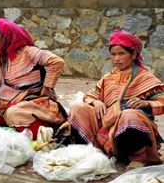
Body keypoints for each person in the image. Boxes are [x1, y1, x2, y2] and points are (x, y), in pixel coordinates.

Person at [68, 30, 164, 169]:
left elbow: (161, 101)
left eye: (121, 54)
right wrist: (97, 102)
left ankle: (139, 158)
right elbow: (91, 95)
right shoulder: (108, 77)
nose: (116, 59)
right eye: (113, 54)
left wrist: (147, 103)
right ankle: (91, 151)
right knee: (79, 107)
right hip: (108, 123)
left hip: (130, 126)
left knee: (129, 114)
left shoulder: (145, 77)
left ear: (134, 55)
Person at [0, 17, 66, 139]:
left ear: (5, 39)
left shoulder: (28, 52)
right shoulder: (1, 58)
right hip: (8, 100)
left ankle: (44, 136)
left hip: (32, 100)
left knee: (13, 113)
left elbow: (57, 62)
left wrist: (46, 88)